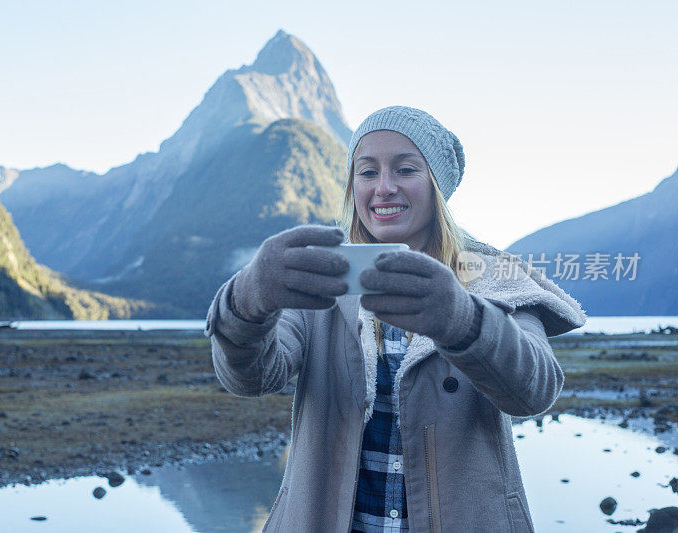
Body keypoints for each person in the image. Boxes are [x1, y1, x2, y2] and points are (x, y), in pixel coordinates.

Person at [203, 106, 586, 532]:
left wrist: (463, 321)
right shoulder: (320, 279)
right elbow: (251, 379)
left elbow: (534, 391)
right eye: (367, 173)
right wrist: (246, 302)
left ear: (436, 184)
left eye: (405, 169)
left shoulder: (495, 279)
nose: (384, 188)